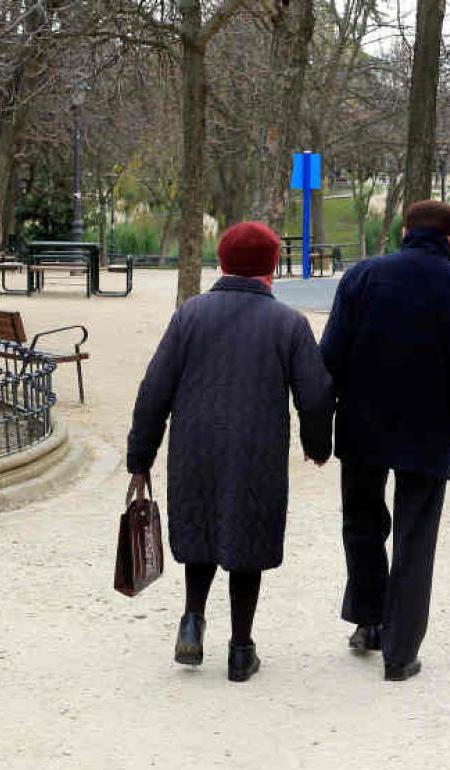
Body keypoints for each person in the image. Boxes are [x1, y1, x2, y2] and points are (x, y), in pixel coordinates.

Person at [126, 221, 333, 683]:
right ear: (273, 267)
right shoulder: (289, 323)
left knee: (200, 529)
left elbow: (154, 389)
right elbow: (316, 395)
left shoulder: (189, 315)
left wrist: (141, 454)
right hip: (256, 446)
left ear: (222, 261)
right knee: (248, 539)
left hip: (194, 442)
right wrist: (318, 446)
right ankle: (241, 649)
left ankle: (193, 620)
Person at [320, 200, 450, 682]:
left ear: (404, 231)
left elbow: (329, 357)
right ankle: (400, 653)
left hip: (362, 424)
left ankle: (368, 620)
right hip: (430, 430)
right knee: (415, 539)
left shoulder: (361, 278)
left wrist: (323, 424)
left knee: (362, 526)